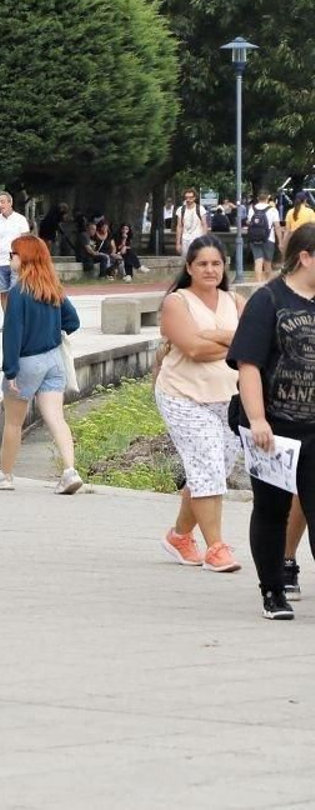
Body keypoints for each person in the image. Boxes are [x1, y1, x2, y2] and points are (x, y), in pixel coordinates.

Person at [229, 224, 315, 619]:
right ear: (306, 256)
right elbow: (248, 364)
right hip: (275, 427)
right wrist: (258, 419)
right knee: (271, 509)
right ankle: (272, 591)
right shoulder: (268, 300)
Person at [155, 235, 246, 575]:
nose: (210, 269)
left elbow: (252, 345)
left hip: (228, 398)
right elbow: (192, 349)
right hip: (183, 396)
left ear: (224, 267)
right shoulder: (177, 303)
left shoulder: (235, 301)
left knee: (212, 469)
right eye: (202, 264)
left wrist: (212, 336)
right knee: (207, 460)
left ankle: (180, 536)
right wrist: (229, 339)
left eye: (216, 263)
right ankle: (216, 548)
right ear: (190, 268)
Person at [0, 237, 84, 493]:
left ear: (25, 258)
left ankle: (5, 476)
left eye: (13, 254)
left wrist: (10, 371)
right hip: (54, 360)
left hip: (26, 362)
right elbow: (73, 321)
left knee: (13, 422)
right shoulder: (52, 287)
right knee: (56, 418)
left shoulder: (18, 293)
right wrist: (50, 329)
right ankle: (69, 471)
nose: (10, 259)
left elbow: (13, 334)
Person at [0, 191, 31, 315]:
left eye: (3, 202)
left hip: (16, 260)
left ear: (10, 203)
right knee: (4, 292)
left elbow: (26, 240)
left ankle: (17, 318)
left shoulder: (20, 219)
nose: (0, 205)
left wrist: (25, 259)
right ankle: (7, 320)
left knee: (16, 291)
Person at [246, 192, 281, 282]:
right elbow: (277, 226)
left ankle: (258, 284)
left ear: (258, 198)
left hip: (254, 238)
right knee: (268, 263)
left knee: (258, 261)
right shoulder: (273, 210)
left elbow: (249, 223)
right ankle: (268, 285)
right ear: (268, 198)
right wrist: (280, 240)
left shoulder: (252, 209)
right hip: (269, 239)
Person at [175, 188, 207, 256]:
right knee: (185, 259)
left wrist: (204, 240)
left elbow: (204, 225)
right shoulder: (181, 210)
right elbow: (179, 226)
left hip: (197, 239)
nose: (188, 199)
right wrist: (178, 243)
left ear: (195, 197)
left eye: (190, 197)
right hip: (185, 239)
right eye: (186, 197)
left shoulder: (200, 209)